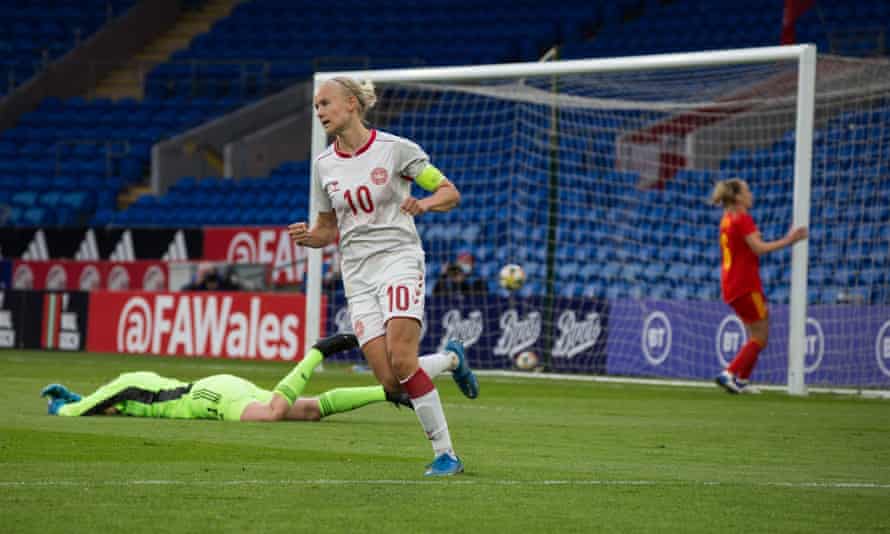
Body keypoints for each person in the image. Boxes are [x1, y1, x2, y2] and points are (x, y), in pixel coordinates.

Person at [288, 76, 478, 476]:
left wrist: (425, 205)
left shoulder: (395, 150)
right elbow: (327, 228)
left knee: (403, 359)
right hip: (356, 275)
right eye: (316, 106)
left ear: (351, 105)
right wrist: (311, 238)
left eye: (325, 103)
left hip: (399, 260)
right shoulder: (324, 166)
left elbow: (449, 192)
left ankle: (447, 455)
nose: (319, 111)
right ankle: (449, 359)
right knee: (392, 383)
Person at [41, 334, 412, 421]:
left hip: (205, 397)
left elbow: (101, 401)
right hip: (219, 388)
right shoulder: (126, 400)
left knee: (272, 414)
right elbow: (99, 404)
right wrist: (76, 399)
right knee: (309, 411)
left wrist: (63, 410)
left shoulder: (129, 384)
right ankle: (386, 392)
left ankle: (317, 351)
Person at [711, 178, 808, 394]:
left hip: (731, 284)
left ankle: (741, 382)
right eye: (747, 191)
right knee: (761, 335)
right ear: (738, 197)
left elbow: (743, 245)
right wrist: (790, 239)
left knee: (754, 334)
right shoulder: (743, 218)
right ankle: (729, 373)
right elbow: (758, 249)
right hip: (745, 284)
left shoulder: (727, 218)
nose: (751, 195)